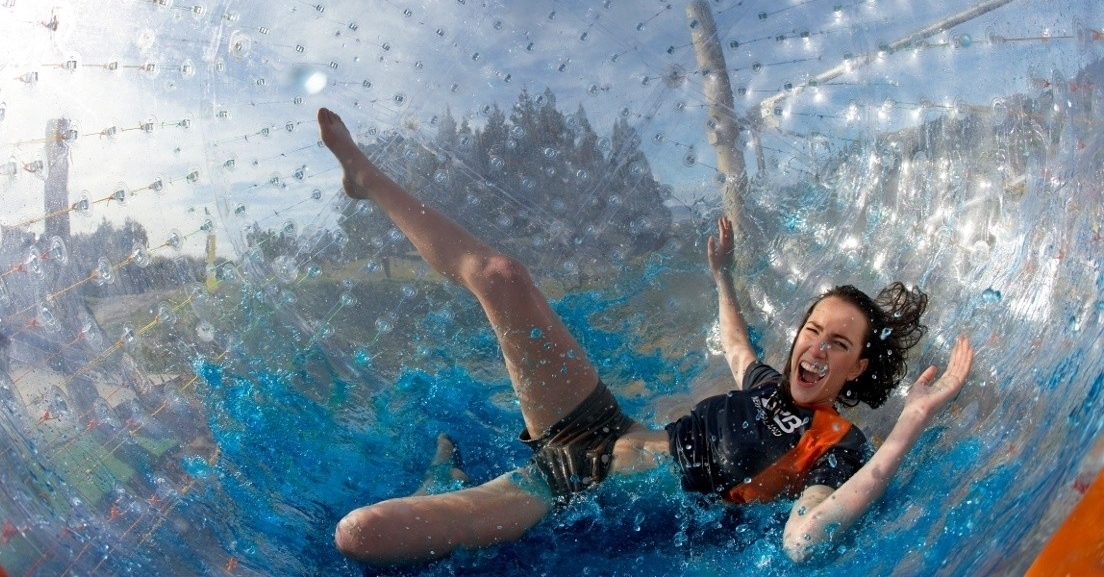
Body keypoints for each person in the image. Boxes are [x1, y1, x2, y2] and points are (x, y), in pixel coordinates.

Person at [320, 108, 975, 566]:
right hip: (596, 426)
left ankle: (444, 482)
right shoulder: (768, 386)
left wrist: (910, 422)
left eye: (839, 343)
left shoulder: (835, 444)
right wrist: (722, 276)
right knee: (502, 276)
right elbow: (738, 345)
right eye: (813, 329)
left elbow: (805, 541)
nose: (817, 347)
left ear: (857, 368)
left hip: (565, 488)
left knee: (361, 534)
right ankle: (367, 180)